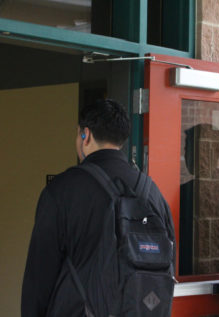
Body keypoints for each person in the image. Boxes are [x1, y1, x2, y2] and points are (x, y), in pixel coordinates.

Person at [21, 99, 175, 316]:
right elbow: (168, 264)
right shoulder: (153, 194)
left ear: (86, 135)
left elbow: (39, 276)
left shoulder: (62, 190)